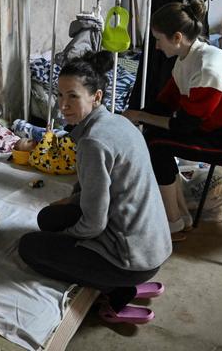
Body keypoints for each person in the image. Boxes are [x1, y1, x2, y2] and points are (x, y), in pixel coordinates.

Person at [18, 51, 172, 325]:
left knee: (29, 247)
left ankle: (117, 291)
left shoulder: (93, 143)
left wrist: (69, 237)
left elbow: (94, 224)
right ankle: (122, 280)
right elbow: (97, 187)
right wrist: (70, 202)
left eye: (73, 96)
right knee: (47, 217)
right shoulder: (120, 122)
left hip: (131, 259)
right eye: (60, 95)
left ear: (96, 97)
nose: (63, 105)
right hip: (153, 245)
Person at [124, 0, 222, 238]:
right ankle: (181, 215)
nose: (155, 46)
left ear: (176, 37)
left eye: (158, 39)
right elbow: (164, 105)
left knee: (158, 145)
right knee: (153, 136)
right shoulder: (186, 58)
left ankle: (172, 221)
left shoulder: (208, 68)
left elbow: (184, 126)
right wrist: (130, 117)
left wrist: (139, 116)